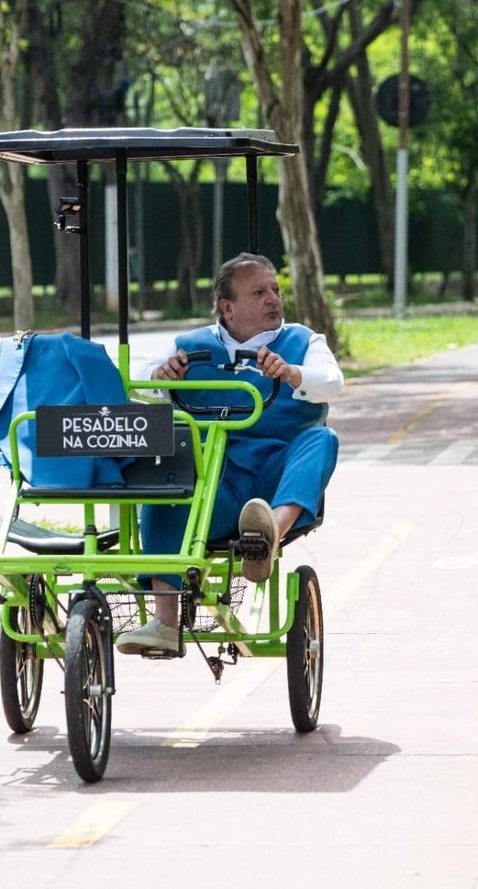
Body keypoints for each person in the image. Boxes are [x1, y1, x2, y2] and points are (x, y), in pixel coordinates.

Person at [116, 252, 343, 655]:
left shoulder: (303, 341)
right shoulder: (191, 345)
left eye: (275, 290)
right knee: (166, 480)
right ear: (228, 307)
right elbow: (139, 381)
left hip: (273, 476)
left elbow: (331, 382)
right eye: (259, 292)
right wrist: (160, 375)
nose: (274, 299)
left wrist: (291, 373)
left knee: (321, 440)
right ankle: (165, 623)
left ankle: (268, 535)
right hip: (215, 484)